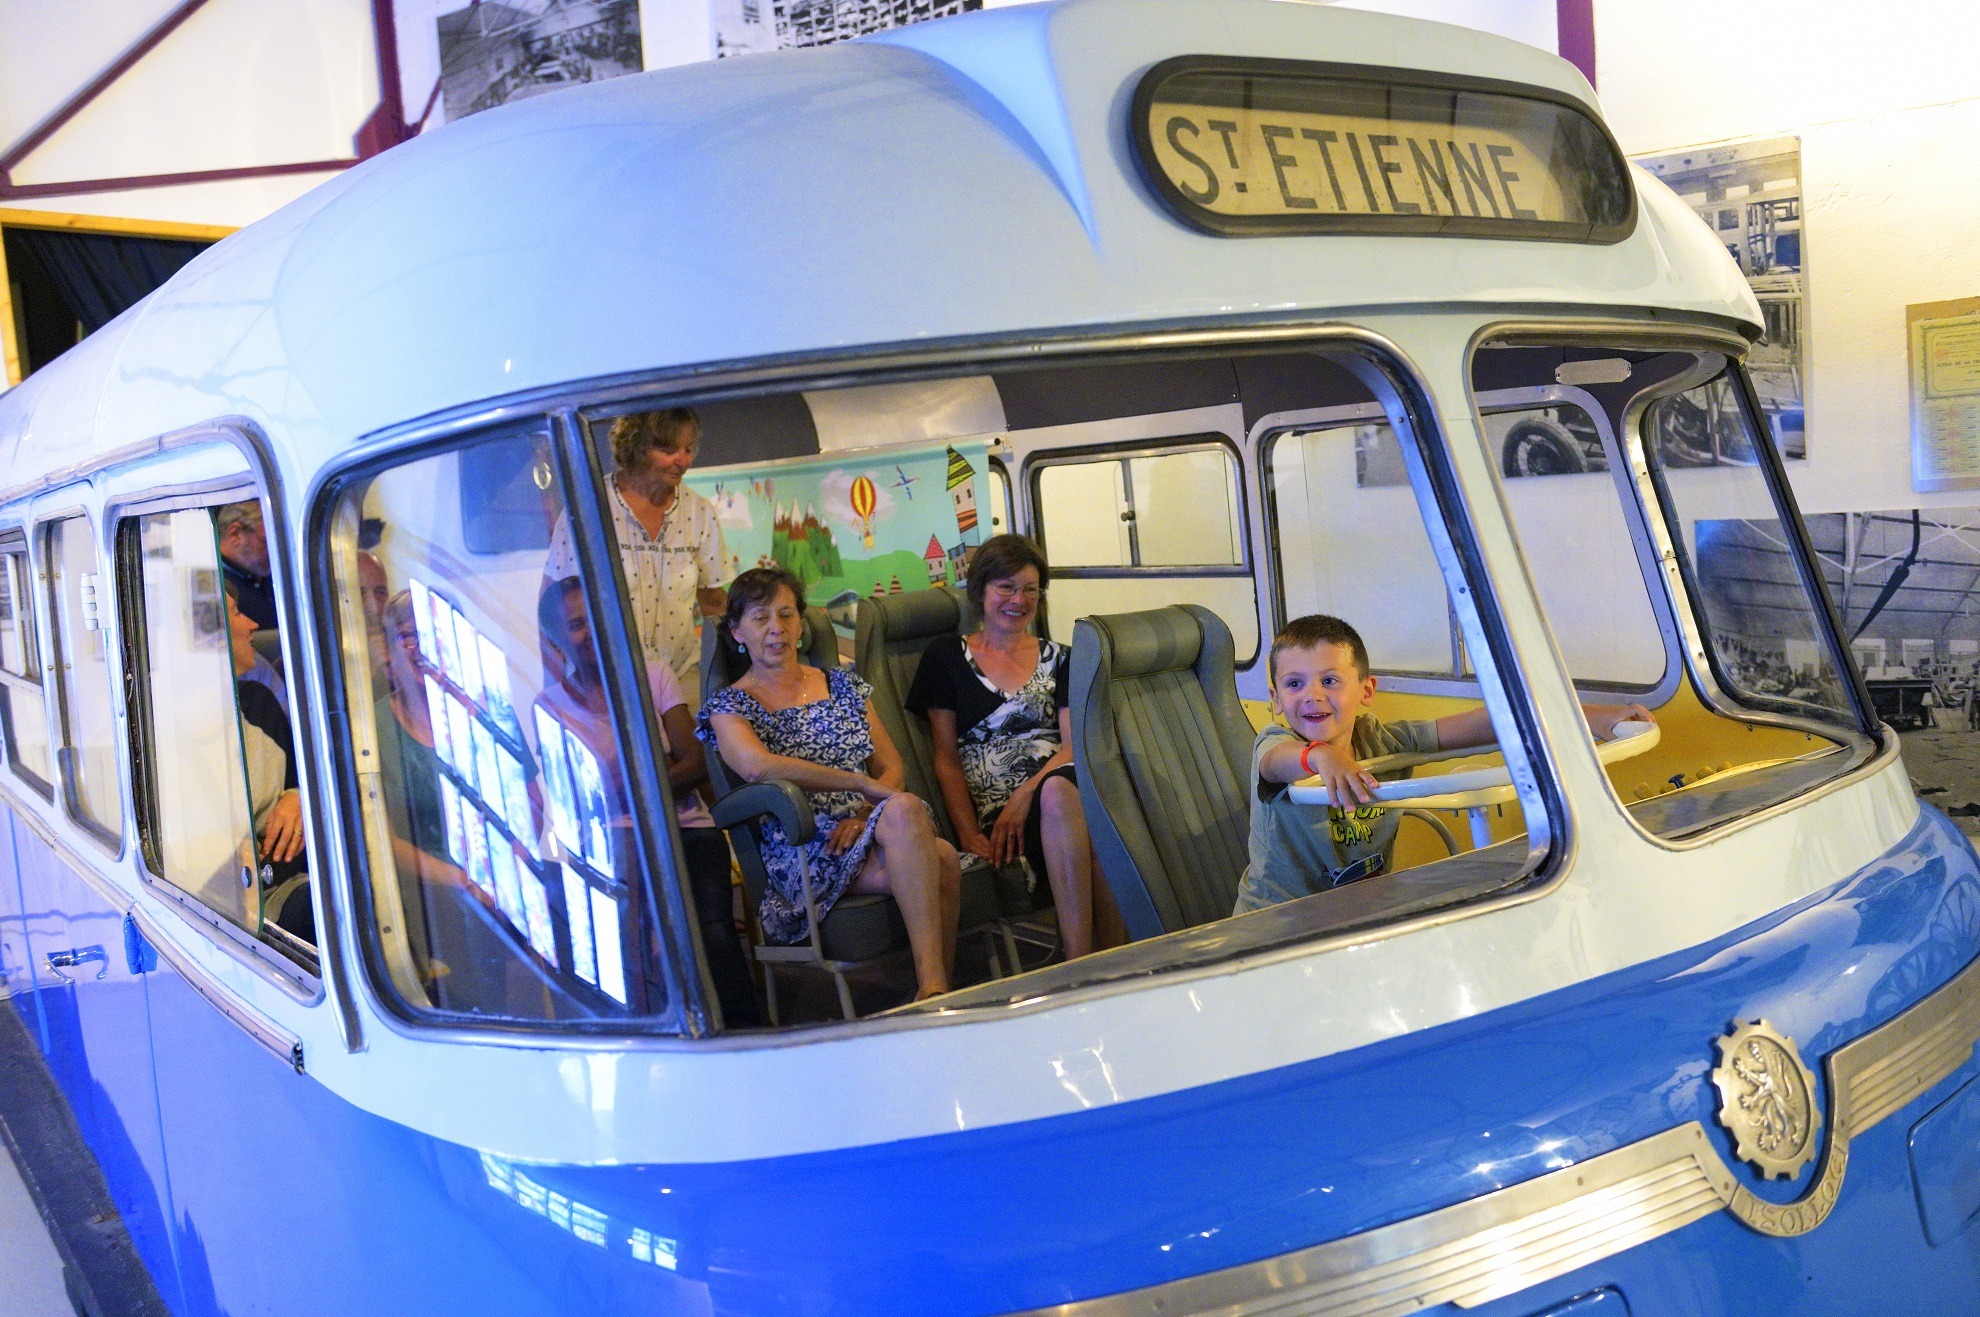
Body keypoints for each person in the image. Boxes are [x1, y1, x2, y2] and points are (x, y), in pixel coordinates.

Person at [1232, 614, 1653, 915]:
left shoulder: (1383, 742)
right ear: (1275, 699)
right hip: (1273, 922)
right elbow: (1275, 764)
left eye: (1329, 681)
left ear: (1366, 689)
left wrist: (1590, 718)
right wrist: (1319, 756)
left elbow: (1484, 723)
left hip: (1353, 916)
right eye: (1294, 684)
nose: (1312, 695)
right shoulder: (1280, 742)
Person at [699, 567, 960, 1002]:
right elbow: (756, 768)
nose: (776, 629)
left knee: (903, 807)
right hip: (801, 844)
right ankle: (938, 992)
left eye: (786, 615)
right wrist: (860, 785)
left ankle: (932, 992)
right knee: (943, 858)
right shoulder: (728, 703)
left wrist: (863, 814)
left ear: (802, 624)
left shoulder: (842, 683)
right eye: (760, 618)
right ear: (737, 631)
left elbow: (892, 768)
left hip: (872, 825)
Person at [537, 578, 761, 1025]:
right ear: (556, 640)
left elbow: (695, 763)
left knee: (713, 933)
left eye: (597, 617)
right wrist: (658, 770)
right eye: (578, 625)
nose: (593, 632)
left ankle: (747, 1032)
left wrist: (618, 784)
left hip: (685, 830)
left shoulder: (654, 674)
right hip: (613, 847)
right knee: (627, 942)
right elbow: (579, 801)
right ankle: (654, 1033)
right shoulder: (550, 706)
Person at [906, 534, 1123, 959]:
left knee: (1066, 795)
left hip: (1057, 790)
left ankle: (1083, 964)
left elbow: (1074, 745)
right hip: (1000, 816)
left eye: (1030, 590)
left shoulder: (1062, 657)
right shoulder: (945, 657)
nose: (1018, 600)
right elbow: (946, 759)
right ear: (980, 591)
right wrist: (968, 832)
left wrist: (1028, 793)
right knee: (1089, 816)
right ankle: (1100, 966)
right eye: (1005, 587)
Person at [544, 408, 729, 706]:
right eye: (668, 450)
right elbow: (553, 611)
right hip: (607, 683)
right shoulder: (589, 507)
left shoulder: (700, 512)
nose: (683, 460)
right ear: (636, 447)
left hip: (681, 676)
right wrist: (555, 689)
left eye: (688, 449)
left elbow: (714, 604)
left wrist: (724, 677)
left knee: (693, 751)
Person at [225, 581, 312, 943]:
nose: (251, 624)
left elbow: (310, 776)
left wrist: (298, 796)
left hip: (293, 881)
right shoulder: (165, 734)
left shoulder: (258, 703)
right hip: (241, 908)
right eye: (234, 614)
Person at [216, 500, 279, 630]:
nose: (275, 552)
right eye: (266, 542)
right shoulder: (218, 589)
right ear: (235, 534)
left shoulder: (270, 576)